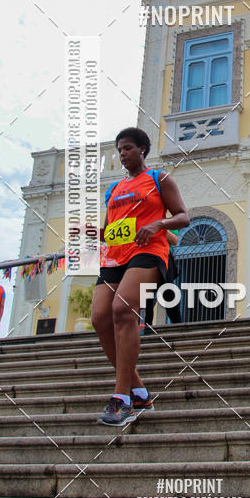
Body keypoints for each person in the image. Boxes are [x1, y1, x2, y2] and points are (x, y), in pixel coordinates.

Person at [92, 127, 189, 426]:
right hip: (115, 257)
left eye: (128, 148)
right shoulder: (114, 189)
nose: (123, 153)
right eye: (120, 149)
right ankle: (139, 392)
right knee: (99, 318)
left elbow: (184, 216)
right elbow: (110, 230)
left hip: (148, 252)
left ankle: (121, 400)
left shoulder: (159, 179)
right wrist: (92, 234)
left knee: (123, 310)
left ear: (143, 149)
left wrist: (158, 224)